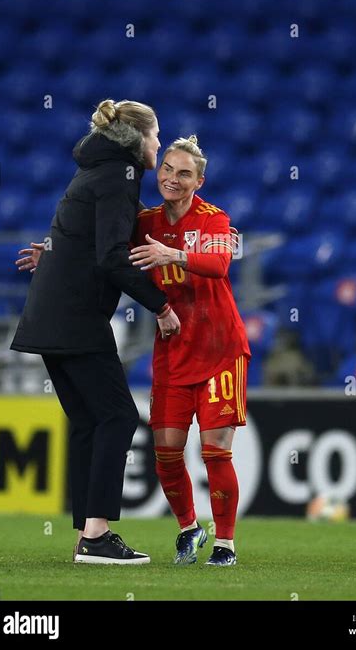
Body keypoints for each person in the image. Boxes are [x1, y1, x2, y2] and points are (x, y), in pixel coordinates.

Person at [11, 99, 181, 565]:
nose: (159, 145)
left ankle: (88, 534)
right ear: (137, 138)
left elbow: (78, 236)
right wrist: (160, 305)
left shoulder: (96, 168)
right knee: (119, 417)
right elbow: (110, 256)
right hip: (75, 317)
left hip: (50, 315)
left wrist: (57, 258)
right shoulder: (119, 176)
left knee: (90, 421)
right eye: (156, 135)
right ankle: (97, 536)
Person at [128, 135, 251, 566]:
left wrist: (172, 254)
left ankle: (225, 544)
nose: (172, 179)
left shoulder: (215, 220)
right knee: (165, 452)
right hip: (173, 350)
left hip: (220, 349)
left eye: (183, 173)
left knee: (215, 450)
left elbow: (218, 266)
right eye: (166, 169)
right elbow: (103, 255)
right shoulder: (145, 221)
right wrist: (51, 256)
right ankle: (188, 529)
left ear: (199, 180)